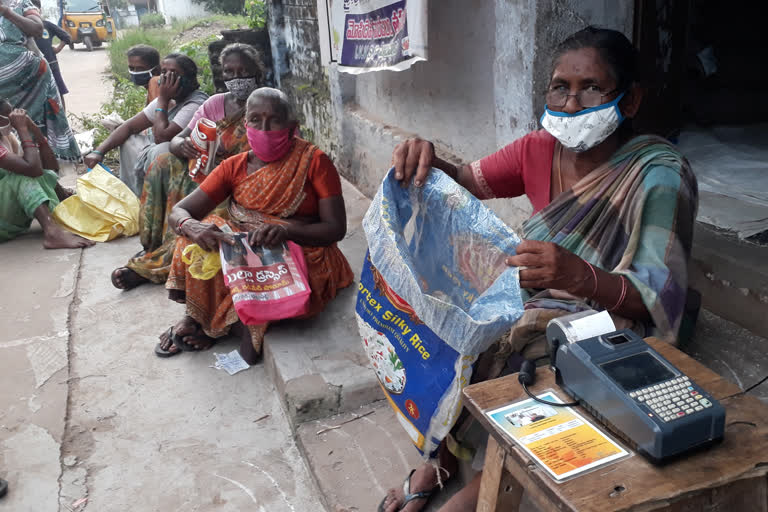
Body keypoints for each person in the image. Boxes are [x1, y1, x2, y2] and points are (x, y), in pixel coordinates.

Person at [379, 27, 698, 512]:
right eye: (559, 88)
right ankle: (439, 458)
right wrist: (423, 157)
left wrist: (579, 276)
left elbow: (656, 296)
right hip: (535, 292)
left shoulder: (658, 173)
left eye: (591, 87)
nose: (570, 105)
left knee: (548, 367)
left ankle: (484, 485)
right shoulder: (538, 149)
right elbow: (462, 184)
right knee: (447, 324)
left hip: (606, 315)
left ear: (630, 100)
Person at [157, 87, 353, 363]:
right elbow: (181, 211)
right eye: (255, 120)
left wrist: (287, 230)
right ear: (245, 124)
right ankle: (200, 316)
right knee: (198, 236)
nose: (264, 128)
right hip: (246, 247)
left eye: (274, 120)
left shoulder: (314, 162)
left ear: (291, 126)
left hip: (302, 248)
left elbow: (335, 229)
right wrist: (191, 226)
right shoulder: (233, 166)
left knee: (264, 268)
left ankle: (220, 327)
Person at [110, 43, 265, 290]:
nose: (236, 79)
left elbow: (279, 147)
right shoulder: (215, 104)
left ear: (257, 73)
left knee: (217, 208)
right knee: (163, 161)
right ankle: (154, 245)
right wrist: (181, 145)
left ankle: (157, 266)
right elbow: (177, 138)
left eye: (243, 71)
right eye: (229, 72)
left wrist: (234, 161)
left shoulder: (266, 102)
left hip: (245, 178)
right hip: (210, 174)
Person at [83, 53, 208, 197]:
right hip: (161, 155)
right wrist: (99, 152)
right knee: (128, 139)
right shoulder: (170, 99)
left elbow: (162, 138)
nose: (166, 77)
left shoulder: (196, 104)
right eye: (163, 72)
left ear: (188, 78)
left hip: (189, 163)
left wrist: (162, 99)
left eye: (173, 72)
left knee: (160, 150)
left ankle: (155, 200)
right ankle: (134, 196)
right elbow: (129, 126)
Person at [0, 102, 93, 248]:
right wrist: (23, 130)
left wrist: (34, 130)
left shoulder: (7, 138)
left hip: (9, 222)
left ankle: (67, 209)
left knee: (46, 175)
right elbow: (32, 169)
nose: (12, 121)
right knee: (21, 177)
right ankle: (52, 232)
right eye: (7, 117)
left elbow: (50, 169)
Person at [0, 0, 80, 162]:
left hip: (33, 84)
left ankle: (48, 180)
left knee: (36, 131)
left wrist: (6, 12)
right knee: (7, 135)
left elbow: (37, 29)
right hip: (3, 92)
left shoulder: (20, 4)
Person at [29, 0, 71, 109]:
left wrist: (58, 48)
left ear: (40, 11)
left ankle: (63, 120)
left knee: (58, 92)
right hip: (33, 68)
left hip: (51, 66)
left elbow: (67, 37)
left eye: (34, 10)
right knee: (39, 96)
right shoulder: (23, 28)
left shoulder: (47, 25)